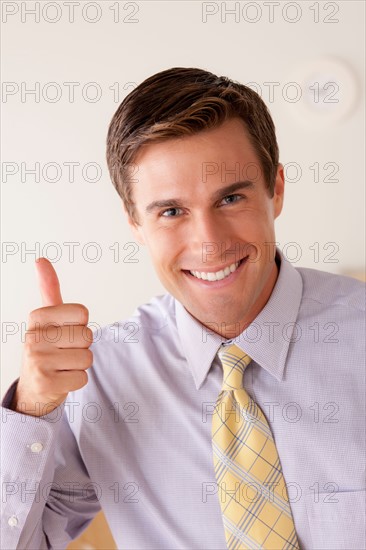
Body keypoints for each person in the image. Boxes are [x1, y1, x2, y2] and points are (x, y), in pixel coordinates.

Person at [1, 67, 364, 550]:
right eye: (171, 211)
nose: (209, 244)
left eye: (231, 198)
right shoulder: (102, 377)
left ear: (276, 189)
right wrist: (31, 409)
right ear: (135, 222)